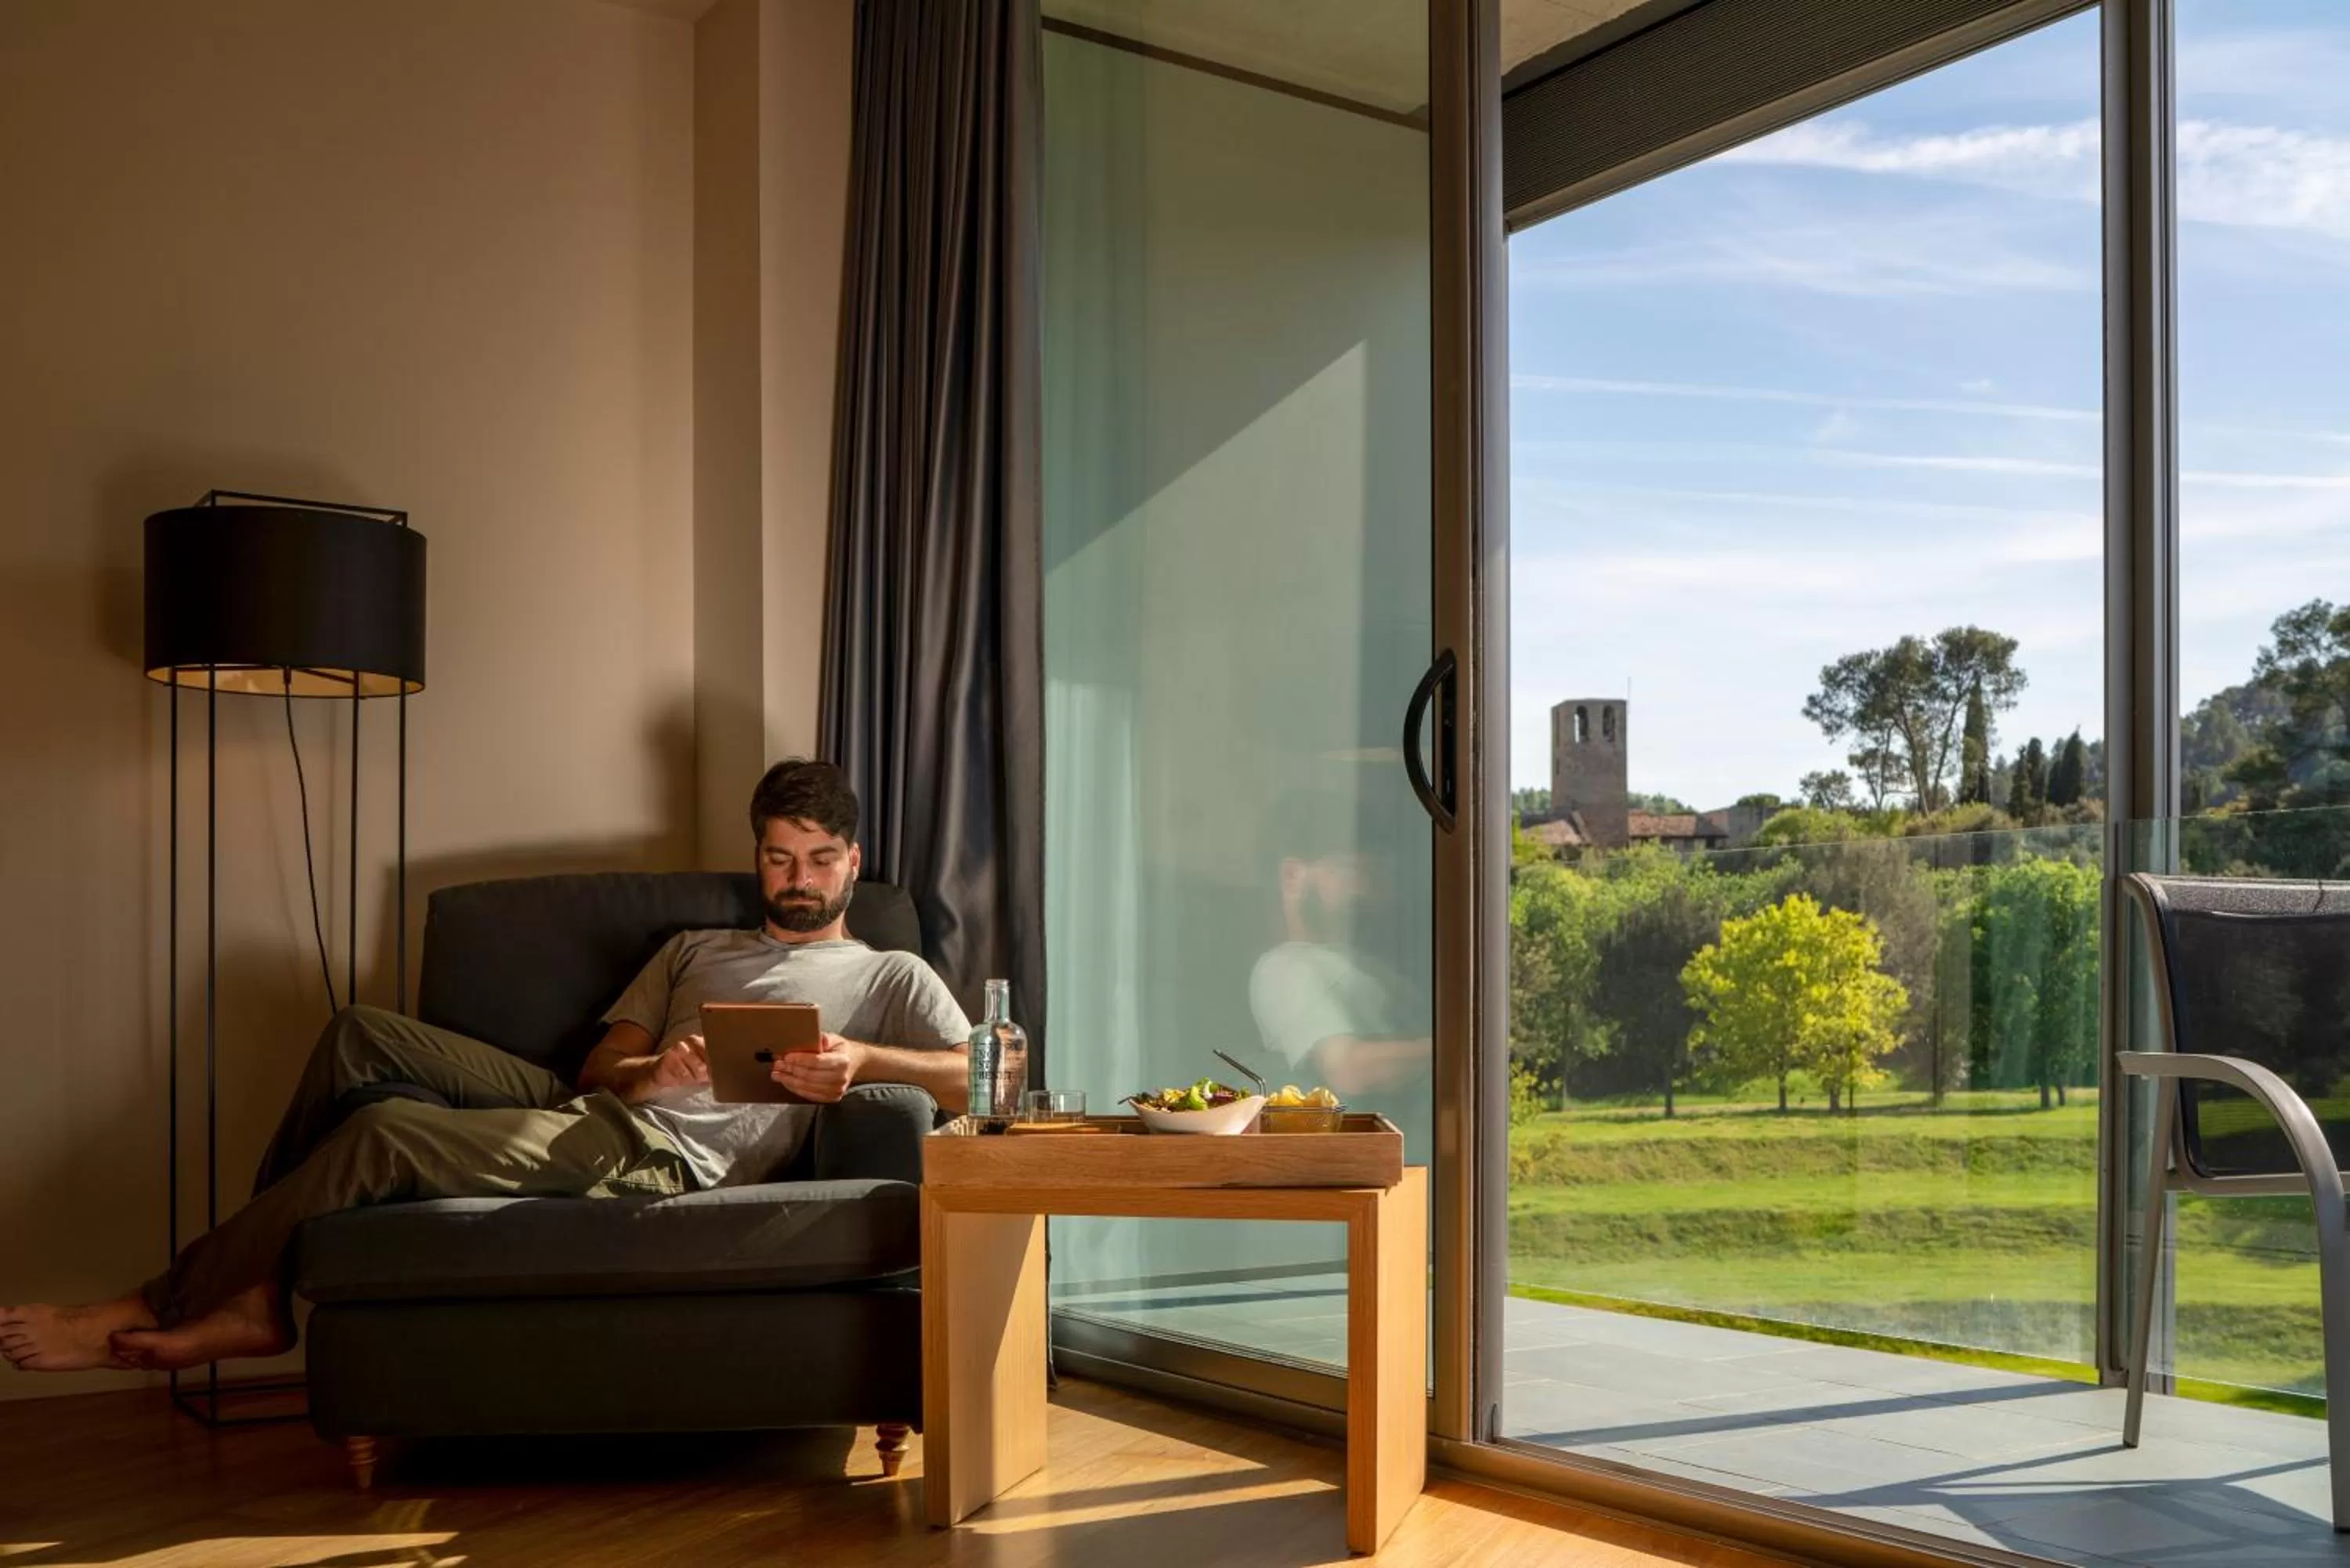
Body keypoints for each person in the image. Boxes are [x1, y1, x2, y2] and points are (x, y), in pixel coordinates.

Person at [2, 759, 969, 1376]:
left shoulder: (889, 971)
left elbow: (979, 1078)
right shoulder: (692, 948)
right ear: (756, 855)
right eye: (779, 857)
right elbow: (599, 1070)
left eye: (819, 859)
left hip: (667, 1159)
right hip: (610, 1110)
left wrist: (864, 1058)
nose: (798, 880)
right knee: (356, 1032)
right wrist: (657, 1074)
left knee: (380, 1135)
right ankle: (257, 1297)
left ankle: (164, 1298)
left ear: (852, 863)